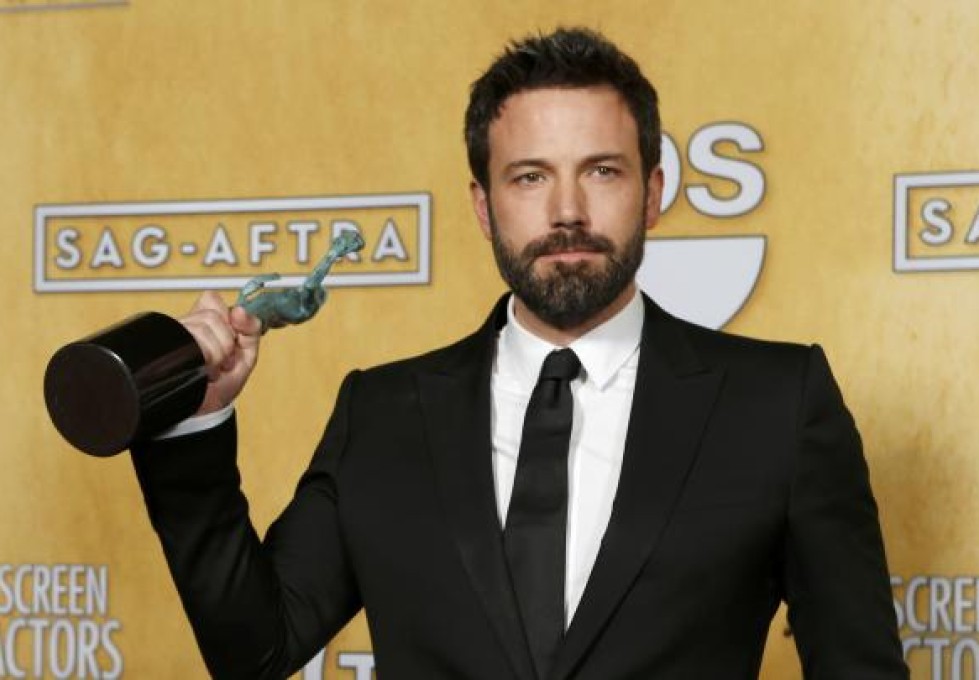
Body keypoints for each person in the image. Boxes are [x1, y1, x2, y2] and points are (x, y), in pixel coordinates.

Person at [131, 27, 908, 679]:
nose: (566, 213)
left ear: (654, 190)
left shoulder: (776, 403)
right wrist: (195, 427)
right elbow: (256, 649)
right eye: (530, 177)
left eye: (602, 171)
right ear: (482, 203)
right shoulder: (384, 412)